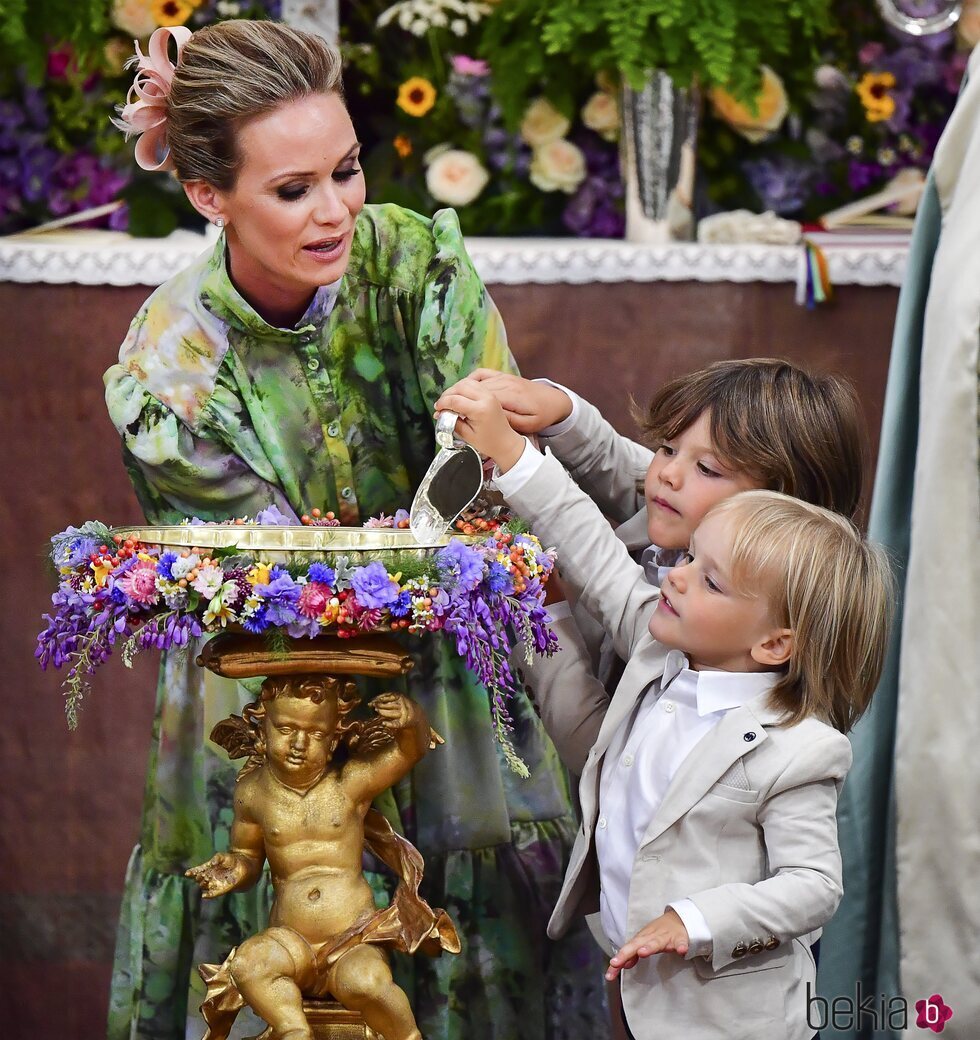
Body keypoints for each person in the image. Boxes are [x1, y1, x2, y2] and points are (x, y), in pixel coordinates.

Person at [103, 20, 606, 1040]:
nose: (335, 210)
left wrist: (443, 516)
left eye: (346, 170)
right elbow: (282, 591)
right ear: (209, 196)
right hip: (272, 710)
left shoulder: (419, 264)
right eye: (292, 190)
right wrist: (415, 538)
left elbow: (488, 482)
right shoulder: (171, 365)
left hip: (455, 709)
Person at [434, 389, 894, 1038]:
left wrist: (695, 920)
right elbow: (598, 553)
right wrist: (560, 424)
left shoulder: (799, 748)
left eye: (707, 578)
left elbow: (813, 887)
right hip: (634, 983)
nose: (674, 577)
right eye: (690, 562)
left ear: (772, 642)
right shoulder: (665, 648)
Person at [450, 360, 867, 773]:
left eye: (707, 468)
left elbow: (611, 580)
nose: (668, 473)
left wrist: (517, 461)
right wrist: (560, 411)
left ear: (777, 509)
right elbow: (624, 468)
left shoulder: (723, 627)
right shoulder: (692, 514)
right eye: (667, 447)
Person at [186, 676, 457, 1040]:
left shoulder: (350, 784)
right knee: (250, 963)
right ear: (262, 730)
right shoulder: (252, 793)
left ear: (333, 741)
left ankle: (408, 1037)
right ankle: (293, 1030)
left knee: (367, 982)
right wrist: (235, 869)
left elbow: (409, 751)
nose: (299, 744)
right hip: (290, 940)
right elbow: (247, 855)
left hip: (350, 940)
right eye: (285, 728)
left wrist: (412, 721)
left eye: (315, 734)